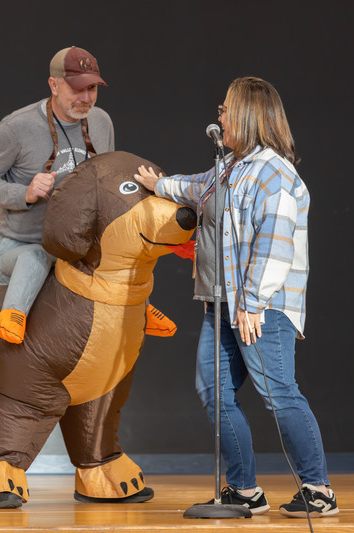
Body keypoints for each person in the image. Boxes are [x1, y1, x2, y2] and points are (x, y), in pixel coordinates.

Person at [134, 77, 338, 518]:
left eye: (225, 109)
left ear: (246, 115)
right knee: (214, 391)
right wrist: (160, 184)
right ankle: (245, 491)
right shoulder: (230, 166)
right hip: (221, 304)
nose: (219, 115)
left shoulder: (275, 174)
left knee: (278, 392)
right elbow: (196, 188)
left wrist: (252, 303)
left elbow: (275, 245)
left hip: (261, 308)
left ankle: (318, 490)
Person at [0, 46, 175, 344]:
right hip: (23, 244)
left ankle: (141, 307)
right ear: (54, 84)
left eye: (92, 88)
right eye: (77, 89)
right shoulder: (17, 126)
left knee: (123, 251)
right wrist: (24, 192)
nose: (86, 98)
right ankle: (13, 315)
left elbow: (107, 182)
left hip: (78, 246)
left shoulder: (101, 122)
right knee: (35, 257)